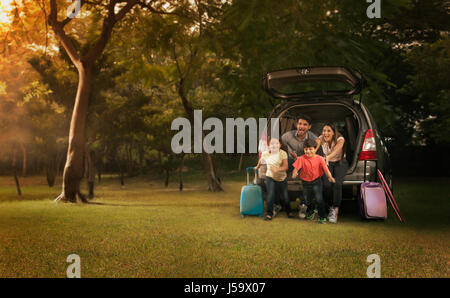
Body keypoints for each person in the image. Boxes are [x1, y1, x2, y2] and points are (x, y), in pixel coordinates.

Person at [292, 138, 336, 224]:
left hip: (316, 181)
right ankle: (311, 210)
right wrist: (294, 173)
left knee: (319, 199)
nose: (308, 151)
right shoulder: (301, 158)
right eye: (306, 149)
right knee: (308, 199)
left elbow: (326, 170)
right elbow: (296, 168)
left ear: (315, 149)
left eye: (310, 149)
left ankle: (322, 216)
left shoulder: (319, 159)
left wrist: (330, 177)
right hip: (305, 183)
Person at [254, 138, 294, 221]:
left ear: (280, 145)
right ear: (269, 146)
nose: (274, 145)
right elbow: (261, 161)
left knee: (285, 196)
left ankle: (289, 211)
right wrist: (257, 167)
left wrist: (277, 169)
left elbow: (286, 167)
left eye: (276, 143)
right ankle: (269, 214)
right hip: (270, 177)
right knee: (270, 195)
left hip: (281, 178)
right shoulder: (265, 154)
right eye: (272, 143)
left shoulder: (283, 153)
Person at [316, 123, 348, 223]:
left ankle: (335, 208)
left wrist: (328, 157)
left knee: (337, 183)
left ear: (334, 132)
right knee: (327, 184)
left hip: (340, 162)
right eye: (324, 130)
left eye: (328, 131)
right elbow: (315, 148)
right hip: (328, 162)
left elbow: (337, 149)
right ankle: (329, 206)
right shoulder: (320, 138)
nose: (325, 133)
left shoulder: (340, 139)